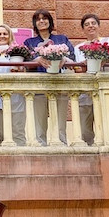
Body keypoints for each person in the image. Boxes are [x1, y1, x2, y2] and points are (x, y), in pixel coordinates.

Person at [73, 13, 109, 145]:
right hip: (86, 93)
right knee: (85, 130)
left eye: (93, 23)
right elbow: (76, 69)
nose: (90, 26)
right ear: (83, 29)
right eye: (87, 24)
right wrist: (85, 66)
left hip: (108, 92)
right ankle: (89, 152)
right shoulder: (78, 49)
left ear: (98, 26)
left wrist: (106, 59)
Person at [23, 9, 75, 145]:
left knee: (60, 122)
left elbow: (73, 58)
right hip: (39, 86)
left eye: (44, 18)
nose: (41, 21)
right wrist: (37, 60)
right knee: (39, 123)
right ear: (35, 23)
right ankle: (41, 147)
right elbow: (25, 62)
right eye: (38, 19)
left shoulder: (62, 39)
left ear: (50, 21)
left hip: (60, 84)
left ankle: (62, 145)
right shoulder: (29, 42)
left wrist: (64, 59)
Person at [0, 24, 26, 146]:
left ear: (10, 36)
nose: (2, 36)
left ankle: (21, 156)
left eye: (5, 34)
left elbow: (24, 71)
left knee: (18, 131)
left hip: (16, 97)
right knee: (3, 134)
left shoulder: (18, 52)